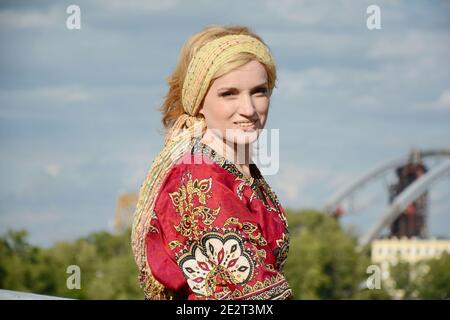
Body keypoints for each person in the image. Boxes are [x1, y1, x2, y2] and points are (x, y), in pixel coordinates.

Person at [131, 25, 292, 300]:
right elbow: (253, 296)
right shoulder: (202, 178)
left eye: (259, 91)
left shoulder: (232, 167)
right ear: (199, 101)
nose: (249, 109)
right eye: (229, 93)